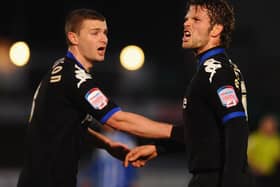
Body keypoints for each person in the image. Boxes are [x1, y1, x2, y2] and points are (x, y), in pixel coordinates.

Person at [16, 8, 174, 187]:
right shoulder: (76, 78)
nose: (104, 39)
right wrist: (175, 132)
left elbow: (69, 126)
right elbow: (118, 120)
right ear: (73, 38)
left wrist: (106, 144)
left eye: (105, 33)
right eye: (95, 33)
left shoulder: (59, 69)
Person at [124, 0, 254, 187]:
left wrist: (231, 180)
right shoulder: (214, 69)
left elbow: (236, 124)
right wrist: (160, 148)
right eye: (186, 19)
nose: (187, 23)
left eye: (196, 19)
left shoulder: (215, 71)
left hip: (215, 178)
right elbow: (204, 131)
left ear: (216, 30)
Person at [247, 114, 280, 187]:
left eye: (271, 125)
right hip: (254, 173)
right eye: (266, 124)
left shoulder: (276, 140)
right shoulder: (254, 138)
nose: (268, 127)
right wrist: (255, 167)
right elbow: (247, 155)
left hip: (272, 175)